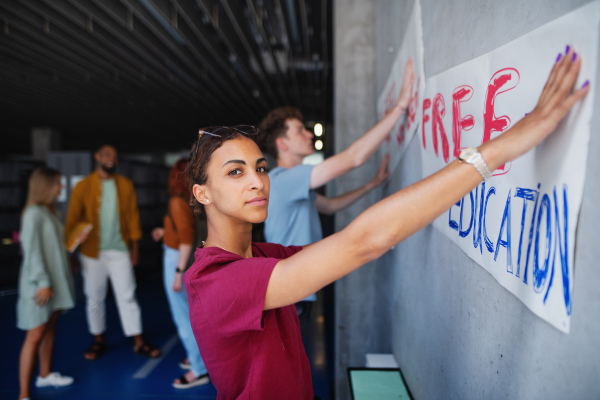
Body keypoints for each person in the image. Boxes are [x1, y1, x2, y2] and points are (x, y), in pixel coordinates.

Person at [182, 47, 587, 399]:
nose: (258, 181)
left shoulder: (265, 254)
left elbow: (351, 241)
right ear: (203, 193)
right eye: (235, 173)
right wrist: (501, 148)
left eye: (260, 167)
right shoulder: (214, 280)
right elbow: (364, 242)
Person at [256, 59, 414, 319]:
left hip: (295, 289)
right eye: (299, 131)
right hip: (288, 292)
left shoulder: (290, 184)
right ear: (281, 143)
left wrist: (371, 185)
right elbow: (353, 158)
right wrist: (399, 108)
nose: (309, 135)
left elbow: (328, 205)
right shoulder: (283, 180)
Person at [65, 144, 161, 360]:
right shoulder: (83, 186)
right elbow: (72, 220)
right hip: (92, 253)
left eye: (115, 157)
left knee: (127, 296)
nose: (112, 159)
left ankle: (138, 341)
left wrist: (134, 247)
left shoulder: (125, 185)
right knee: (94, 297)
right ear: (97, 157)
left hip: (120, 250)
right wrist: (70, 252)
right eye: (107, 155)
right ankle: (98, 340)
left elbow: (132, 217)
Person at [17, 167, 87, 400]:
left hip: (55, 281)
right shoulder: (33, 213)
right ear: (46, 185)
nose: (61, 187)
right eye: (58, 183)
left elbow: (54, 246)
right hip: (40, 285)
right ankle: (23, 395)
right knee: (34, 336)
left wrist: (72, 250)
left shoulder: (51, 212)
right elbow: (32, 251)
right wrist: (43, 282)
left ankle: (44, 375)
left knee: (49, 330)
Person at [151, 158, 210, 389]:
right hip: (181, 256)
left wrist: (177, 273)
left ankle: (199, 369)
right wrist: (164, 230)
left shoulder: (177, 201)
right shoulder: (192, 200)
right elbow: (183, 229)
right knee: (190, 314)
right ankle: (198, 358)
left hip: (177, 259)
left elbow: (186, 240)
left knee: (183, 318)